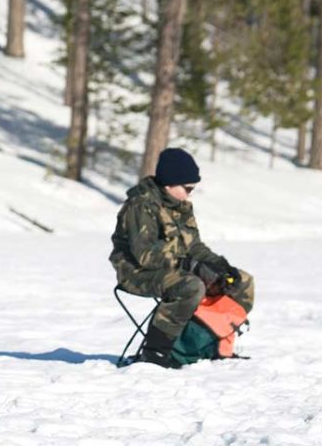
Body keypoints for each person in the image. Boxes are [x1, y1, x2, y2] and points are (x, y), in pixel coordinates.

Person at [109, 147, 254, 369]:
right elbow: (145, 254)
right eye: (187, 188)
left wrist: (219, 265)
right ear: (169, 183)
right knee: (191, 286)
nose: (190, 193)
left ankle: (204, 347)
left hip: (174, 269)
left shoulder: (181, 207)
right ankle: (156, 353)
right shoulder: (141, 205)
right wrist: (189, 265)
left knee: (241, 282)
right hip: (137, 273)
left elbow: (193, 246)